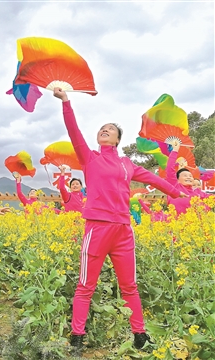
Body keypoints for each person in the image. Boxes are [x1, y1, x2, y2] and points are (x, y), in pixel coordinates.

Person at [52, 88, 185, 354]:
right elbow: (73, 132)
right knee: (85, 285)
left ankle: (140, 335)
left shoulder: (127, 165)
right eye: (102, 128)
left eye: (110, 128)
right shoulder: (89, 158)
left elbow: (154, 180)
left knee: (130, 286)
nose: (105, 129)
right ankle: (77, 337)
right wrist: (66, 102)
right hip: (97, 229)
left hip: (124, 231)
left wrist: (176, 190)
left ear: (117, 139)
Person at [165, 141, 211, 215]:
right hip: (175, 224)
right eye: (185, 175)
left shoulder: (197, 192)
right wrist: (175, 150)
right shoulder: (174, 186)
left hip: (194, 225)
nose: (189, 177)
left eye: (190, 176)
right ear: (178, 179)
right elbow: (169, 169)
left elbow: (211, 198)